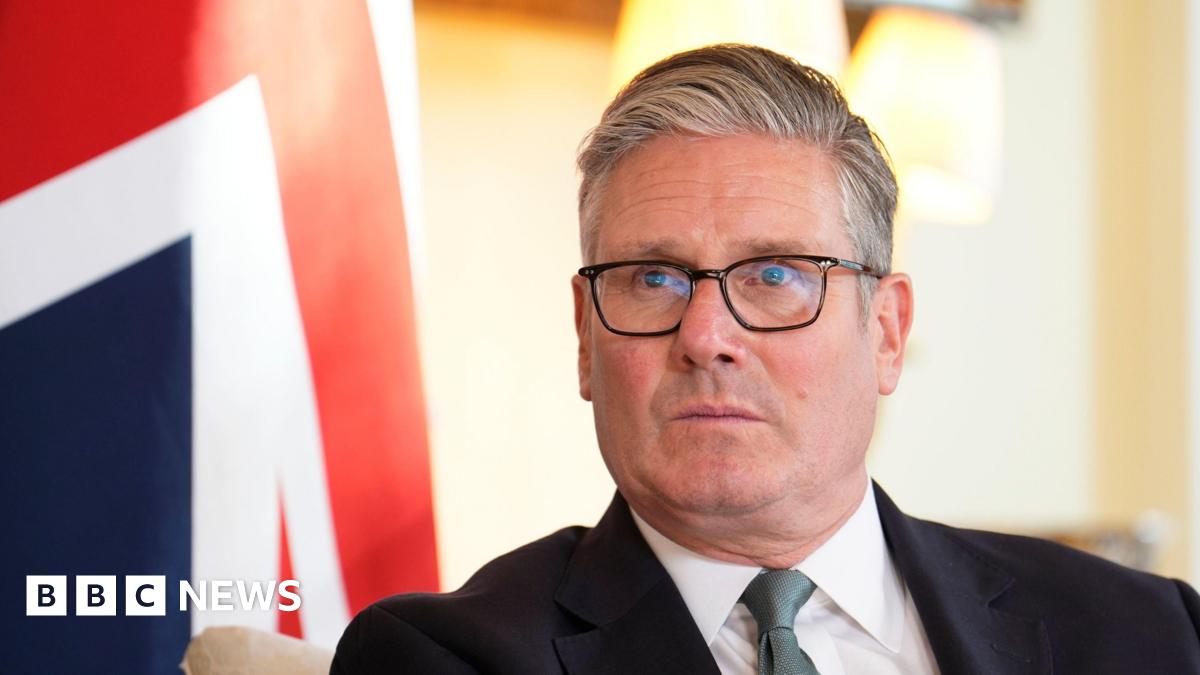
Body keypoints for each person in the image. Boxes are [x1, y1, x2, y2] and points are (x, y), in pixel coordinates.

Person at [331, 44, 1200, 674]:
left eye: (777, 274)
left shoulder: (1147, 633)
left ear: (887, 330)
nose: (706, 336)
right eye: (653, 278)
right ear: (586, 338)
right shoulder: (442, 657)